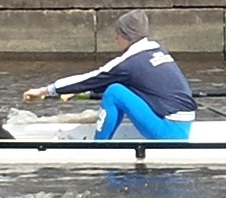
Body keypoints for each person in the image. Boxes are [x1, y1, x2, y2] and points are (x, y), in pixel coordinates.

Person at [22, 10, 198, 140]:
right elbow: (130, 83)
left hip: (168, 132)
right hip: (183, 125)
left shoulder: (128, 62)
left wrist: (44, 90)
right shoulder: (157, 50)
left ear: (127, 35)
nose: (115, 38)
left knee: (114, 91)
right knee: (119, 86)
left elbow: (91, 78)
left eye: (118, 33)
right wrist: (84, 92)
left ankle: (100, 146)